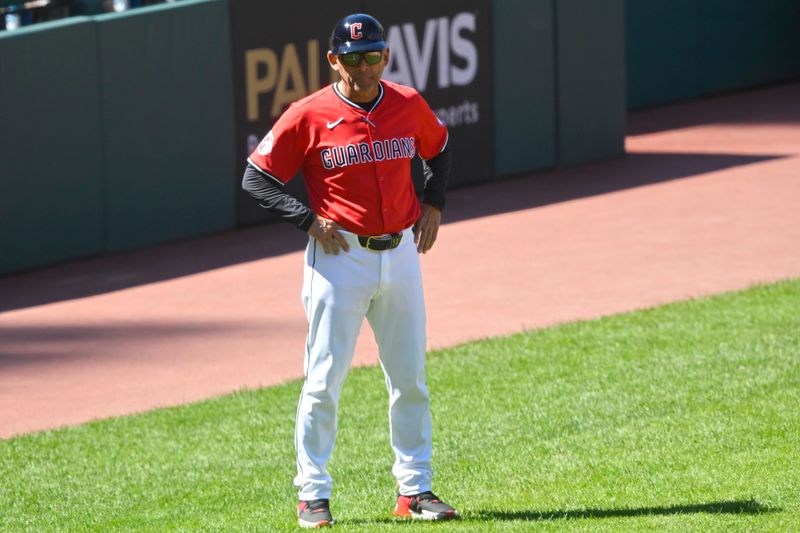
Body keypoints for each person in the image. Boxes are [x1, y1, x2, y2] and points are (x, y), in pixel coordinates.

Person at [242, 13, 458, 529]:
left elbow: (440, 146)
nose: (364, 67)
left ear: (385, 56)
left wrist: (434, 202)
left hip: (402, 253)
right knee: (323, 381)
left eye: (373, 56)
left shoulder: (406, 103)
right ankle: (312, 495)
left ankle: (414, 489)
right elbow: (256, 177)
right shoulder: (309, 113)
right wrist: (306, 219)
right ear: (334, 59)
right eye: (353, 58)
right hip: (339, 260)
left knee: (410, 379)